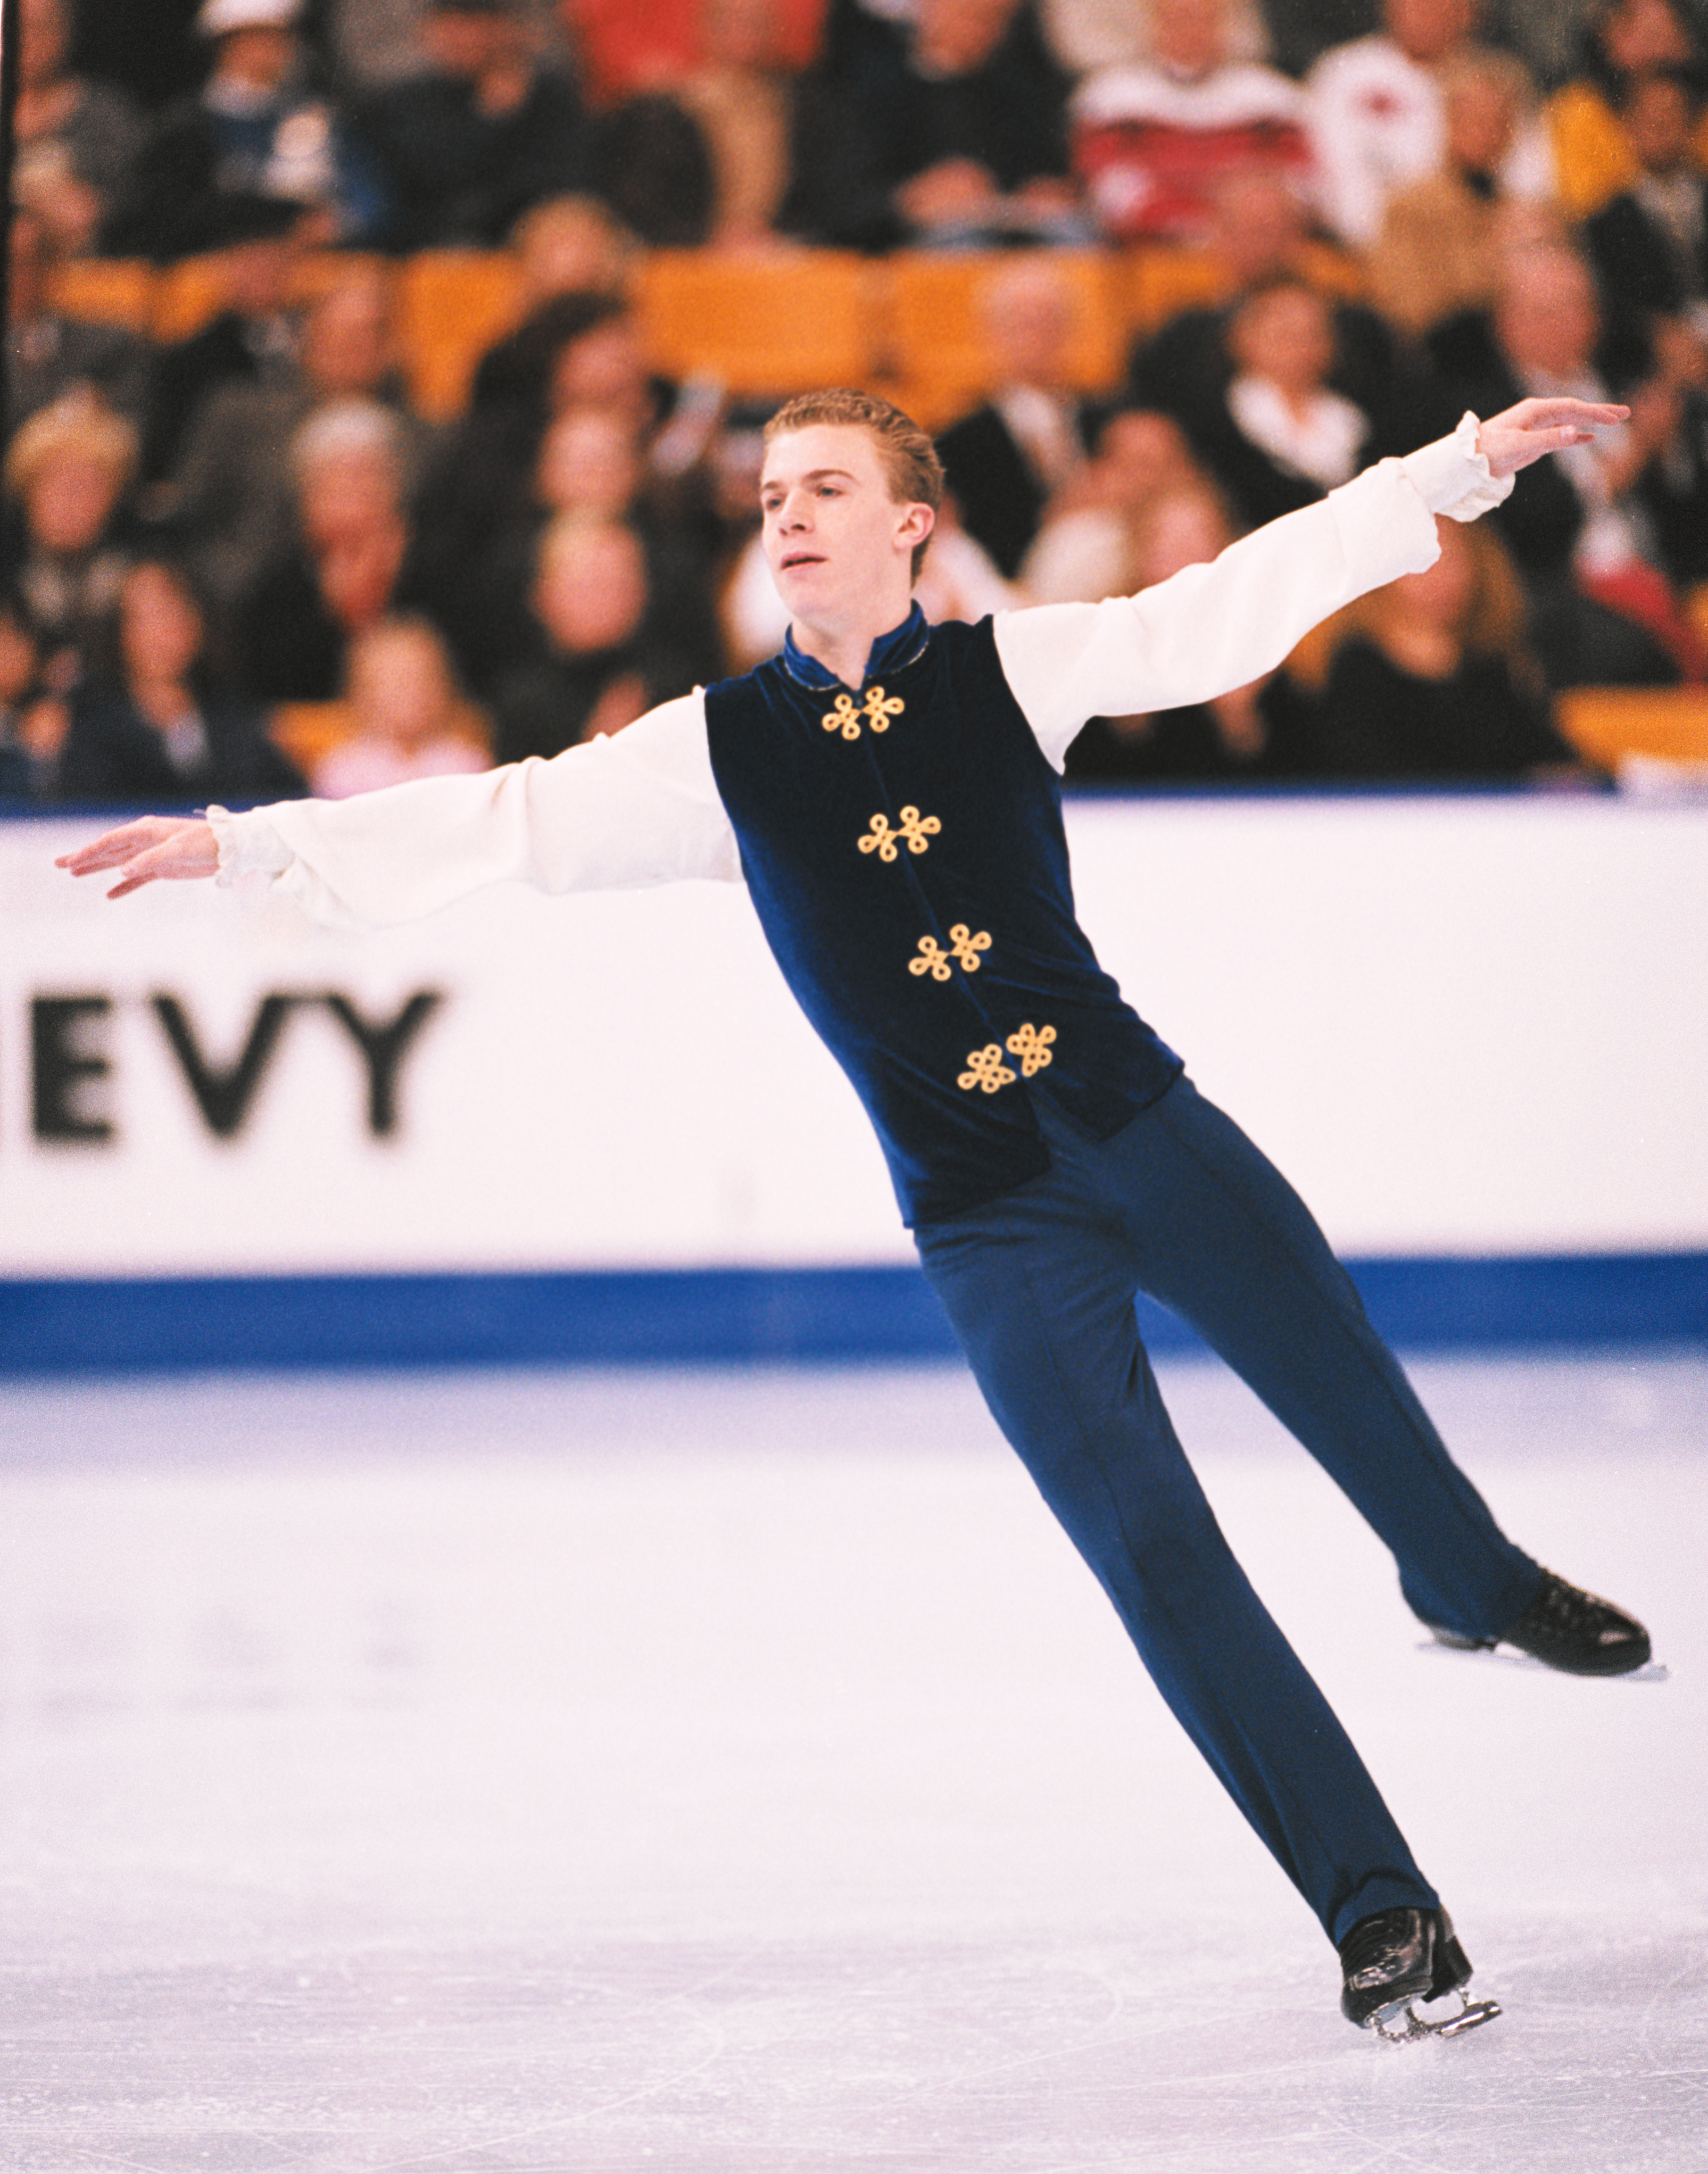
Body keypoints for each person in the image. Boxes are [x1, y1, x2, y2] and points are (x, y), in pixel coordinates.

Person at [59, 384, 1654, 2042]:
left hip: (1148, 1130)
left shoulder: (1011, 664)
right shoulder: (714, 750)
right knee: (1162, 1564)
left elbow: (1217, 612)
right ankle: (1379, 1912)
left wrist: (1448, 472)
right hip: (985, 1221)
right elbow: (502, 820)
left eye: (826, 486)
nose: (788, 515)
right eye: (766, 496)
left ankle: (1469, 1583)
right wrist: (246, 849)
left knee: (1351, 1399)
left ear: (912, 524)